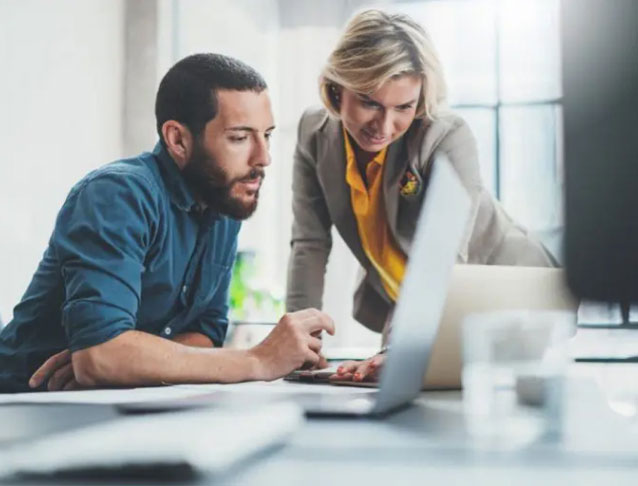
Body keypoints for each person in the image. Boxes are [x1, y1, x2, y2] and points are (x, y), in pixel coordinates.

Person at [0, 53, 334, 393]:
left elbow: (204, 334)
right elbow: (101, 359)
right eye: (239, 137)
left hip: (114, 407)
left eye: (267, 135)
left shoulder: (222, 201)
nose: (263, 157)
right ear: (178, 140)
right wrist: (258, 360)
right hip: (21, 404)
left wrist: (129, 358)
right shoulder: (117, 194)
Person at [285, 10, 554, 383]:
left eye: (404, 108)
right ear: (336, 87)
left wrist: (399, 349)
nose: (384, 126)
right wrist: (299, 345)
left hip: (508, 295)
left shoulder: (445, 137)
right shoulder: (313, 134)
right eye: (370, 103)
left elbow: (441, 260)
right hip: (415, 306)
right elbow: (309, 245)